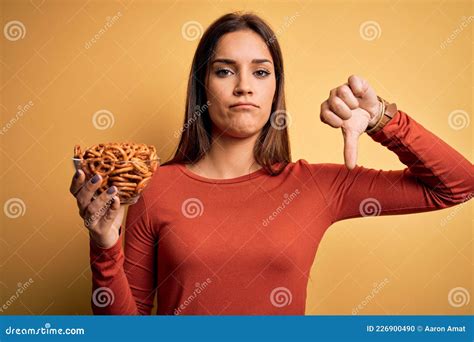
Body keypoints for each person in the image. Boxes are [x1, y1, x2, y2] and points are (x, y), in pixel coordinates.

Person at [69, 12, 474, 315]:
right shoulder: (155, 188)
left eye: (261, 72)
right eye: (225, 70)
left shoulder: (315, 186)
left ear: (275, 88)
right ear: (202, 87)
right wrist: (104, 245)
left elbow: (457, 185)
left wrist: (383, 119)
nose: (244, 85)